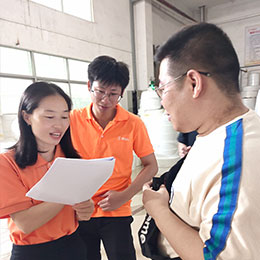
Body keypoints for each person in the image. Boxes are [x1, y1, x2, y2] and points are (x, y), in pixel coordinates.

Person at [142, 22, 260, 260]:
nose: (162, 101)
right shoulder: (212, 133)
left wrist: (158, 211)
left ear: (194, 83)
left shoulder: (238, 156)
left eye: (162, 88)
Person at [70, 55, 158, 260]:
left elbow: (151, 166)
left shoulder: (133, 123)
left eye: (113, 94)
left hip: (116, 210)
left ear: (122, 93)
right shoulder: (72, 120)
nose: (105, 100)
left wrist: (125, 196)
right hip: (80, 210)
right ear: (89, 86)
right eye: (100, 91)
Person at [0, 82, 94, 260]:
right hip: (32, 253)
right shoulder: (7, 163)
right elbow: (25, 223)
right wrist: (67, 194)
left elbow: (83, 214)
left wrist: (86, 209)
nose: (59, 125)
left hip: (73, 245)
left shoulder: (71, 160)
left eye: (64, 117)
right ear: (27, 117)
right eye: (49, 117)